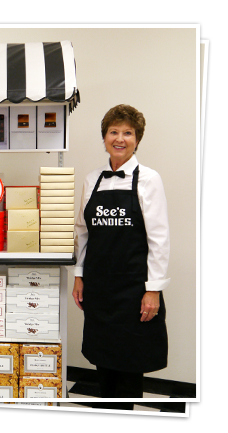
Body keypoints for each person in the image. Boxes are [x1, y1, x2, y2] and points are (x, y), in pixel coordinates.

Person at [72, 104, 170, 409]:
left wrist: (153, 289)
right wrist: (79, 275)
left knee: (130, 363)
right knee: (103, 361)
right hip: (99, 287)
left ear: (137, 139)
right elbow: (83, 232)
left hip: (134, 290)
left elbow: (159, 239)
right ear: (104, 137)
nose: (120, 138)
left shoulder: (149, 179)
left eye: (128, 133)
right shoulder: (92, 179)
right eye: (113, 131)